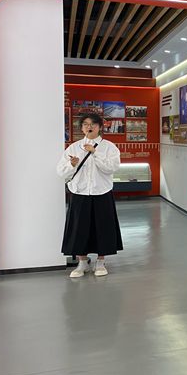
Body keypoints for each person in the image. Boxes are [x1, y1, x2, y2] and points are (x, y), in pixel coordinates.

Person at [57, 113, 123, 278]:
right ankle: (82, 263)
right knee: (79, 228)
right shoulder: (73, 147)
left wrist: (95, 152)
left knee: (102, 228)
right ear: (81, 128)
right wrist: (71, 164)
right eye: (85, 124)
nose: (89, 127)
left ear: (100, 127)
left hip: (102, 192)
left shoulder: (109, 147)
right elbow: (61, 171)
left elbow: (112, 167)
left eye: (93, 124)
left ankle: (100, 262)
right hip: (79, 193)